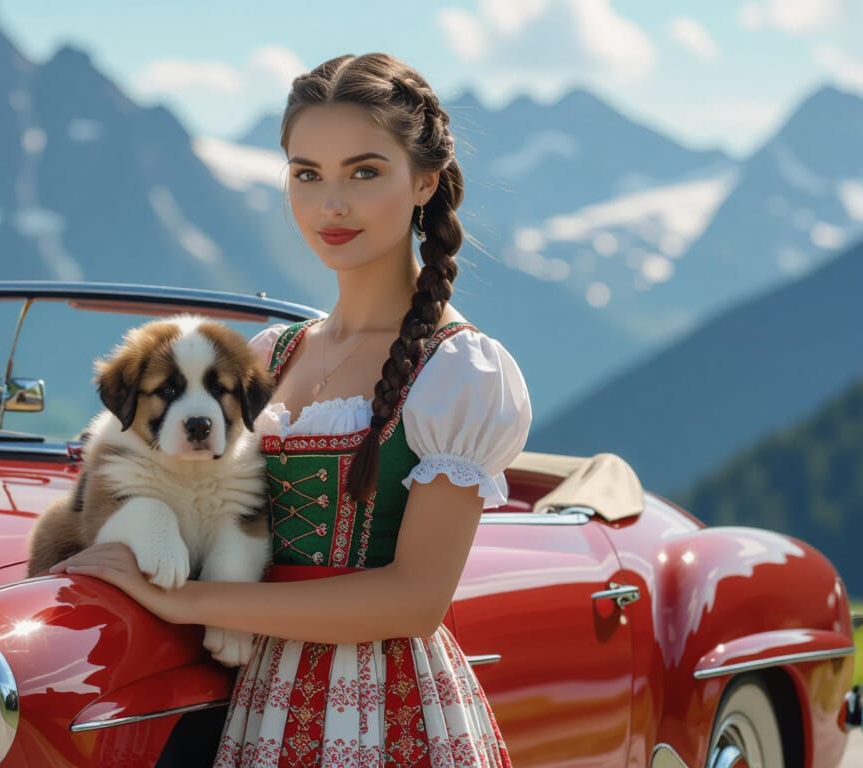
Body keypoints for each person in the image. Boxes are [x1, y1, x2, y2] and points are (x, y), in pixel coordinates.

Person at [50, 52, 530, 767]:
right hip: (259, 703)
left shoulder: (458, 371)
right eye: (307, 174)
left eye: (363, 173)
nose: (330, 205)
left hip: (385, 708)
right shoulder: (270, 356)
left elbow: (416, 600)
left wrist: (190, 602)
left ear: (424, 182)